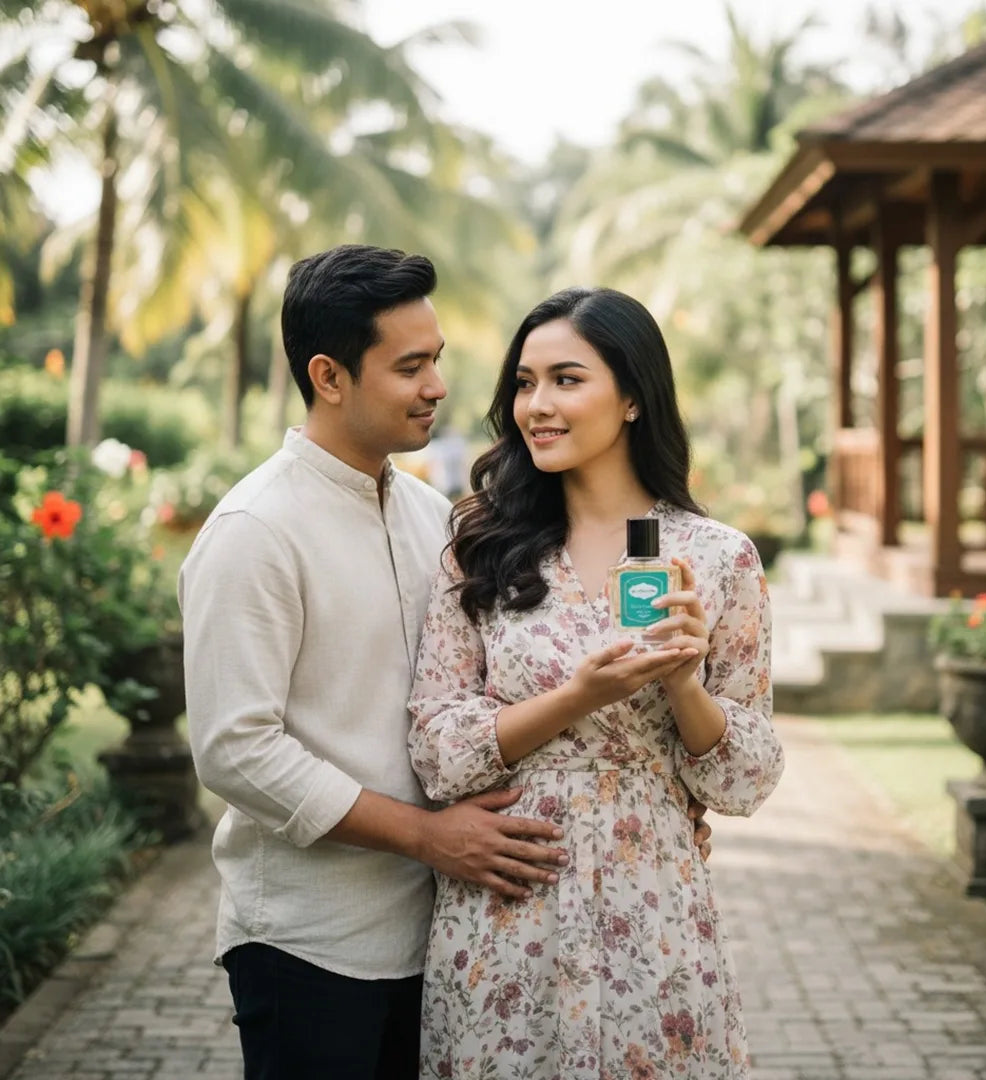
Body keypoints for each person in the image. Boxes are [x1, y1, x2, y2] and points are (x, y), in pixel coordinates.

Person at [178, 246, 711, 1080]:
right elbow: (236, 750)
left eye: (439, 362)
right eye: (410, 366)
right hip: (314, 941)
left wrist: (657, 807)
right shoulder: (256, 530)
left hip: (446, 932)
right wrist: (428, 837)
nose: (437, 386)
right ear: (329, 376)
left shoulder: (438, 519)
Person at [408, 287, 785, 1079]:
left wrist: (685, 684)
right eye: (523, 382)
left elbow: (747, 776)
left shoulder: (718, 558)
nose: (536, 405)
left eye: (566, 380)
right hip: (506, 907)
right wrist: (578, 697)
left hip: (655, 908)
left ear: (634, 400)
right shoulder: (478, 547)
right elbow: (438, 750)